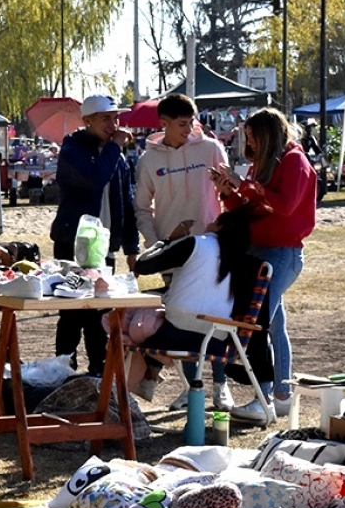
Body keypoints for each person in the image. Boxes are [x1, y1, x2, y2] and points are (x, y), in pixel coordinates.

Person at [210, 107, 316, 422]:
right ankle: (280, 395)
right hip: (260, 250)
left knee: (256, 326)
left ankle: (263, 398)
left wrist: (247, 186)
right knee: (273, 324)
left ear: (268, 135)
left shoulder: (295, 160)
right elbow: (251, 211)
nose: (249, 143)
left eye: (254, 136)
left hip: (282, 252)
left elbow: (283, 207)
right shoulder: (263, 165)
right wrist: (229, 192)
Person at [132, 93, 230, 408]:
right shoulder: (149, 160)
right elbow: (142, 209)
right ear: (164, 123)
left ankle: (221, 385)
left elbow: (229, 193)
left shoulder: (211, 149)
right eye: (182, 124)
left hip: (213, 250)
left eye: (192, 122)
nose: (189, 129)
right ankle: (194, 387)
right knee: (184, 318)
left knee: (216, 314)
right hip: (173, 252)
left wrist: (224, 223)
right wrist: (155, 244)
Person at [50, 95, 140, 377]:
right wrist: (114, 147)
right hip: (72, 245)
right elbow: (94, 178)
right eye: (106, 119)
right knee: (72, 311)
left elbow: (126, 202)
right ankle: (63, 370)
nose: (113, 125)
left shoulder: (118, 157)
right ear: (87, 121)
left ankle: (98, 374)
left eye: (116, 118)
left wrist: (132, 248)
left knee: (101, 314)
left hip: (105, 249)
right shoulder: (72, 150)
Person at [131, 207, 256, 405]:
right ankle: (150, 378)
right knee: (155, 320)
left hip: (174, 336)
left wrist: (170, 240)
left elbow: (142, 265)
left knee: (132, 326)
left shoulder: (196, 244)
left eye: (214, 221)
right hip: (218, 341)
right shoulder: (243, 260)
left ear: (219, 226)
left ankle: (143, 381)